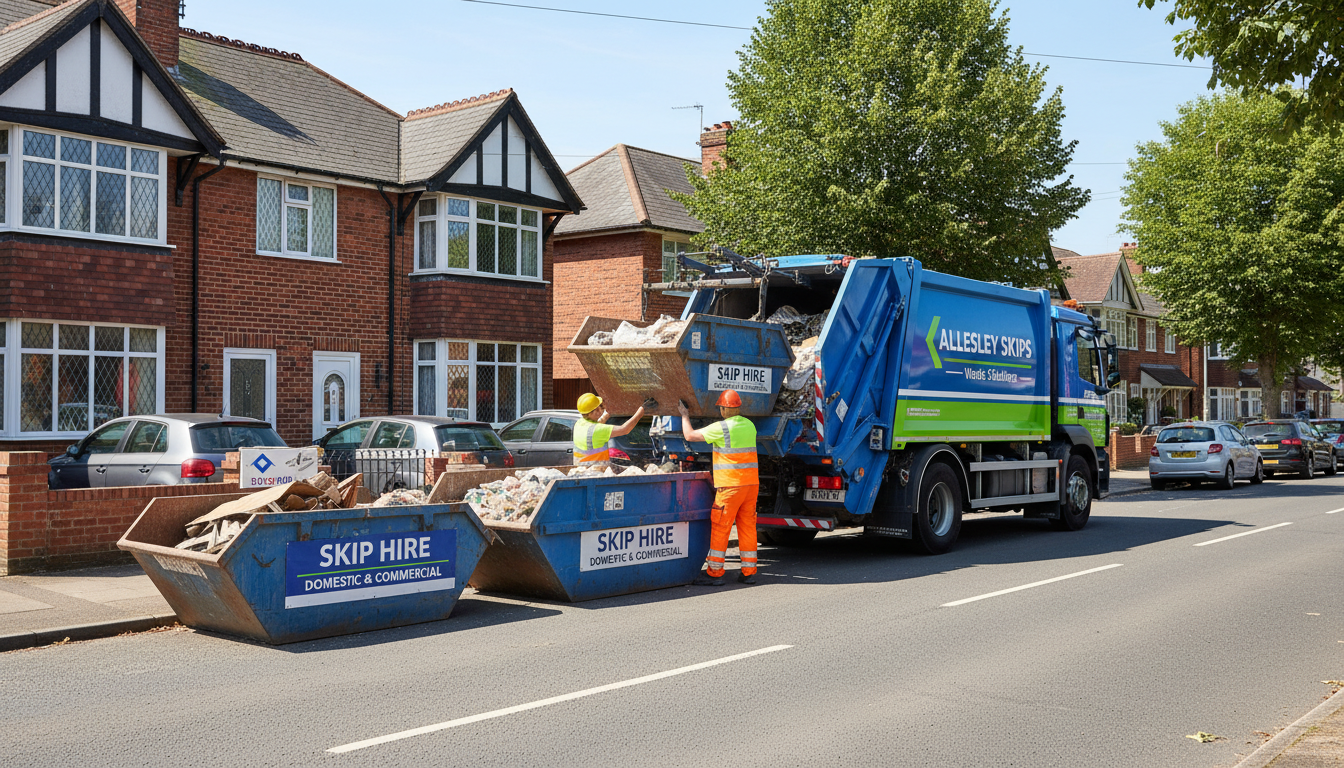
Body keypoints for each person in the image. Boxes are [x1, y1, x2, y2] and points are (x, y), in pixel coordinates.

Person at [679, 390, 759, 585]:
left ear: (723, 408)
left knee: (721, 527)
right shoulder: (750, 425)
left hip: (731, 486)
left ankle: (715, 572)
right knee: (747, 526)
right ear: (738, 407)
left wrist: (684, 415)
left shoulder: (721, 428)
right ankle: (749, 572)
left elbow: (689, 436)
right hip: (751, 485)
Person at [573, 393, 644, 468]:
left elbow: (598, 424)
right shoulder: (598, 430)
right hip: (597, 471)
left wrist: (609, 413)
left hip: (581, 469)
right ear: (597, 410)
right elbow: (625, 429)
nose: (602, 408)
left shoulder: (579, 423)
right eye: (600, 407)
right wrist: (642, 410)